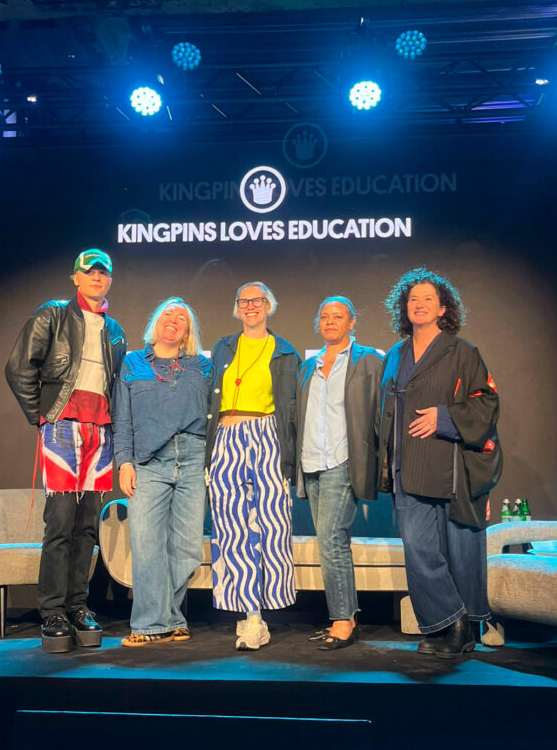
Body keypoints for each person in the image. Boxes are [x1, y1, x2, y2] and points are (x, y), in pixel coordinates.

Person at [6, 249, 127, 653]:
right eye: (89, 271)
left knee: (87, 525)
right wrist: (42, 417)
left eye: (103, 272)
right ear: (75, 277)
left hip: (101, 433)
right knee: (60, 522)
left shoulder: (115, 331)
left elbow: (116, 385)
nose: (96, 277)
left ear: (110, 280)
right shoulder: (53, 314)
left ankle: (77, 605)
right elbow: (19, 367)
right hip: (62, 428)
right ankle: (53, 611)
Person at [379, 268, 502, 657]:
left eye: (428, 299)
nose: (419, 304)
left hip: (447, 464)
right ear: (404, 308)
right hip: (406, 466)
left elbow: (487, 401)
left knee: (458, 551)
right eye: (413, 299)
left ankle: (457, 630)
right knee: (418, 549)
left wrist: (444, 417)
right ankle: (452, 621)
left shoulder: (462, 351)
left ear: (443, 308)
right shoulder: (395, 355)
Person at [206, 281, 301, 650]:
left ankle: (260, 615)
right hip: (226, 436)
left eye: (258, 300)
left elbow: (292, 407)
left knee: (272, 525)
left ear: (269, 305)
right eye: (244, 300)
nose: (250, 306)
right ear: (236, 306)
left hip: (266, 435)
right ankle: (248, 615)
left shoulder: (285, 351)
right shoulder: (224, 346)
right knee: (231, 527)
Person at [114, 299, 211, 647]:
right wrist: (124, 462)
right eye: (167, 314)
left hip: (193, 457)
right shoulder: (132, 363)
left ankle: (171, 618)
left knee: (186, 547)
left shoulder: (202, 366)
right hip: (148, 461)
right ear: (155, 322)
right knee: (146, 545)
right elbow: (122, 418)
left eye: (181, 317)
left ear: (187, 331)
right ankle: (149, 623)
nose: (173, 320)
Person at [295, 297, 383, 650]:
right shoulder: (308, 366)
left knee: (332, 538)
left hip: (344, 460)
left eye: (338, 316)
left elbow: (381, 410)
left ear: (352, 322)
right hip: (311, 461)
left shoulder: (368, 360)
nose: (330, 321)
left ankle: (343, 620)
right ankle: (344, 615)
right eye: (325, 316)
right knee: (330, 541)